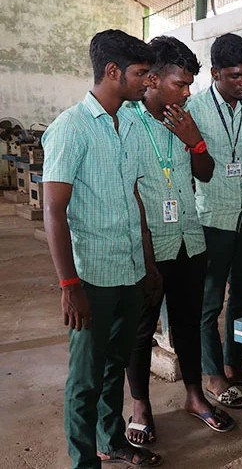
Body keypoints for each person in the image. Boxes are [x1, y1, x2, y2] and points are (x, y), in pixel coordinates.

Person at [42, 30, 162, 468]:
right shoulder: (70, 129)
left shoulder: (130, 122)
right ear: (112, 72)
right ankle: (82, 461)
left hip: (129, 270)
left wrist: (147, 264)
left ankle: (110, 440)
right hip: (91, 276)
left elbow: (134, 197)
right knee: (85, 378)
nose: (147, 82)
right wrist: (69, 285)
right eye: (141, 74)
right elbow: (54, 212)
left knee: (115, 366)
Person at [122, 36, 235, 446]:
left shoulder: (183, 118)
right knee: (142, 327)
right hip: (150, 246)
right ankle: (140, 406)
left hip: (189, 237)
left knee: (188, 322)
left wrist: (194, 139)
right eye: (179, 84)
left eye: (189, 85)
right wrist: (146, 255)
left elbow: (203, 172)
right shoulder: (129, 122)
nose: (187, 93)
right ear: (152, 79)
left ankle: (193, 395)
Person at [189, 33, 242, 410]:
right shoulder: (196, 108)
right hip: (213, 218)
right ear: (216, 73)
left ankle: (233, 363)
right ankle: (212, 372)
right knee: (209, 301)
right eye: (235, 75)